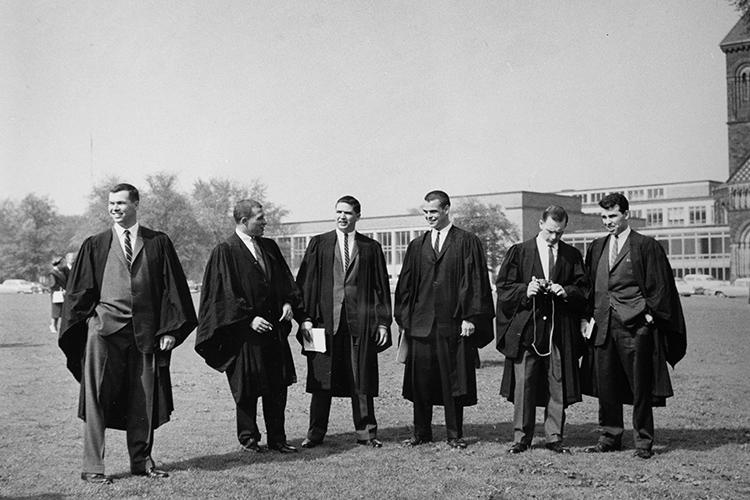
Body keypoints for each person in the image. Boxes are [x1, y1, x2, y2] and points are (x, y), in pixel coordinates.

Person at [59, 183, 197, 484]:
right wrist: (89, 325)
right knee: (95, 397)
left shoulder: (158, 242)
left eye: (121, 203)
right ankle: (93, 466)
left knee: (144, 397)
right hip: (104, 332)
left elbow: (173, 288)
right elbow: (77, 293)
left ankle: (142, 461)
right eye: (111, 203)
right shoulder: (95, 245)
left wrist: (171, 329)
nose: (114, 208)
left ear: (136, 204)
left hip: (146, 333)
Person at [581, 192, 686, 459]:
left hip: (635, 328)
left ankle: (643, 441)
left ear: (626, 214)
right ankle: (609, 437)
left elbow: (661, 287)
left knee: (640, 386)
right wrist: (587, 317)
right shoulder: (596, 247)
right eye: (604, 216)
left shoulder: (646, 246)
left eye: (613, 215)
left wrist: (649, 317)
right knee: (606, 385)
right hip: (603, 326)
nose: (608, 221)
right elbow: (589, 288)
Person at [195, 199, 303, 454]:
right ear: (244, 221)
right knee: (247, 388)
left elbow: (285, 281)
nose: (265, 222)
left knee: (277, 386)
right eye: (260, 218)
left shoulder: (269, 247)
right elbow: (223, 294)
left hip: (274, 330)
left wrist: (288, 302)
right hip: (245, 335)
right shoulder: (226, 250)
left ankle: (278, 439)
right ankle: (249, 440)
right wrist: (248, 319)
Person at [394, 190, 494, 449]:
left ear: (447, 209)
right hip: (421, 325)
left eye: (434, 212)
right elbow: (405, 285)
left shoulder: (466, 241)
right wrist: (406, 319)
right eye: (426, 212)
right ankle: (421, 433)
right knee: (421, 382)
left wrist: (470, 316)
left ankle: (454, 434)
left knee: (453, 381)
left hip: (453, 324)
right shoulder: (417, 245)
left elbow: (475, 281)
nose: (429, 217)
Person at [295, 195, 392, 449]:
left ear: (358, 216)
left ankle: (366, 433)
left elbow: (381, 288)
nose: (342, 217)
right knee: (320, 379)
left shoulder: (371, 248)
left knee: (361, 379)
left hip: (359, 324)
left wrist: (382, 322)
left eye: (347, 213)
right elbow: (304, 285)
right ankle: (315, 433)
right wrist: (304, 319)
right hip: (321, 324)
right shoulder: (319, 244)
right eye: (338, 212)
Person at [495, 205, 589, 454]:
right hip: (528, 330)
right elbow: (504, 288)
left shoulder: (572, 255)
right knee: (523, 384)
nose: (554, 237)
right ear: (540, 224)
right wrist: (525, 290)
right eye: (550, 232)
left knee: (557, 383)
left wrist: (565, 291)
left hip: (558, 332)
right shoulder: (519, 252)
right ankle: (521, 437)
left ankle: (554, 437)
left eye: (559, 233)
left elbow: (584, 289)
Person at [48, 256, 70, 334]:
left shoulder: (63, 271)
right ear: (58, 264)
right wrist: (61, 289)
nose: (63, 264)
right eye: (62, 263)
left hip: (63, 294)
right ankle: (53, 325)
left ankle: (57, 326)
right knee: (56, 311)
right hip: (56, 294)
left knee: (62, 311)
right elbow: (52, 284)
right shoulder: (52, 273)